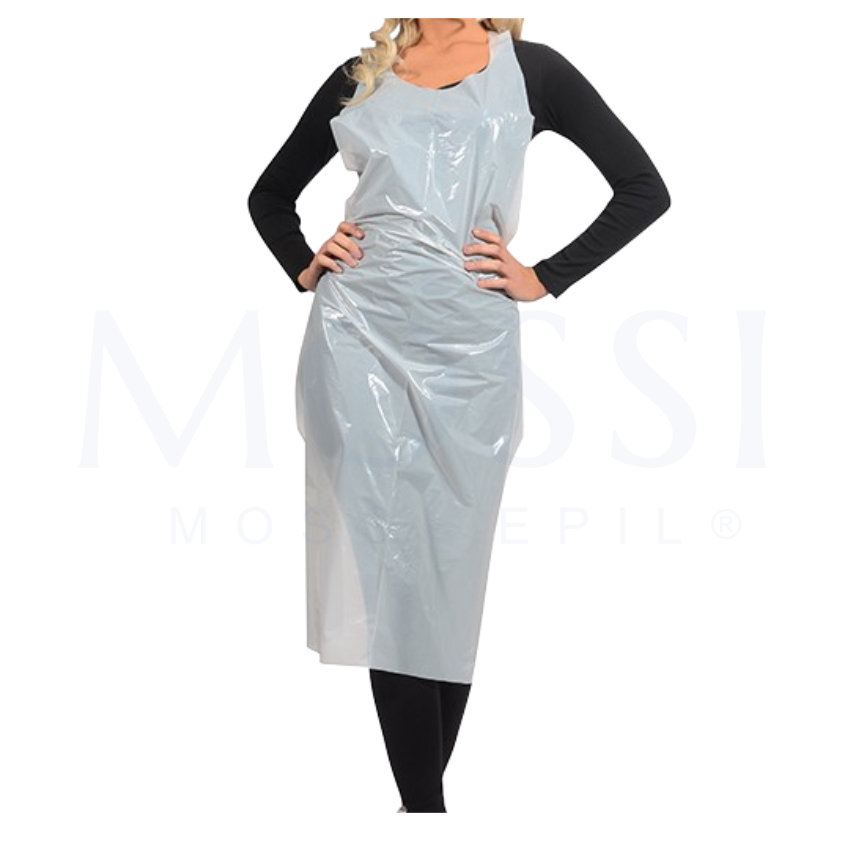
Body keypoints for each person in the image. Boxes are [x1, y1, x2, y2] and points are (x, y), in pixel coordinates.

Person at [247, 18, 670, 813]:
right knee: (395, 576)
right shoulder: (362, 75)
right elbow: (268, 196)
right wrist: (305, 265)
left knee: (447, 575)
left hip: (471, 350)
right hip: (357, 340)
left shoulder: (534, 71)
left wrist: (546, 276)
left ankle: (420, 806)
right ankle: (426, 809)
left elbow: (644, 189)